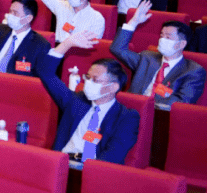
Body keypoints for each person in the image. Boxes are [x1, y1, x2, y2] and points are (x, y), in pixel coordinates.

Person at [35, 31, 140, 164]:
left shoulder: (126, 117)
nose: (88, 83)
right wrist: (66, 44)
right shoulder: (76, 101)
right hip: (61, 163)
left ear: (113, 87)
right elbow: (45, 72)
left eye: (95, 80)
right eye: (88, 78)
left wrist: (88, 174)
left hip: (93, 172)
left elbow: (113, 156)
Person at [111, 1, 206, 107]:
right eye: (161, 35)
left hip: (158, 115)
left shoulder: (193, 71)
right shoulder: (147, 58)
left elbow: (182, 101)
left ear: (181, 44)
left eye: (168, 37)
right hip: (128, 107)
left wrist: (147, 108)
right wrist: (133, 22)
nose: (162, 39)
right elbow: (118, 49)